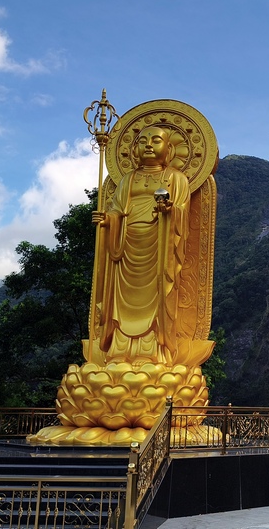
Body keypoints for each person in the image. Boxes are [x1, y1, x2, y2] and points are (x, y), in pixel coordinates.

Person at [92, 125, 191, 366]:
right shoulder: (128, 179)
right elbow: (116, 209)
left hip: (159, 247)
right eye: (142, 141)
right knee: (121, 302)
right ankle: (118, 352)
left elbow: (182, 213)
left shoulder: (176, 179)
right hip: (125, 247)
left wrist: (168, 210)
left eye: (156, 140)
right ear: (134, 149)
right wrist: (107, 219)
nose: (148, 145)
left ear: (169, 149)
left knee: (157, 300)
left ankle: (153, 354)